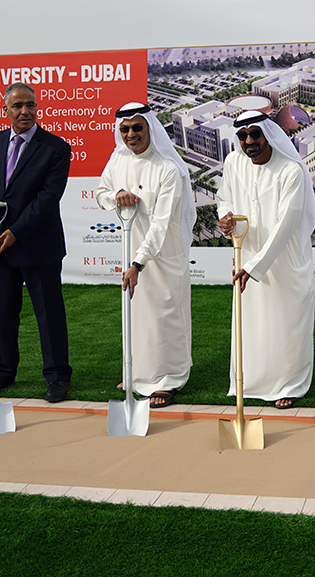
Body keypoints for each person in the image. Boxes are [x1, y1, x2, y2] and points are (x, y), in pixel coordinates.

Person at [0, 82, 73, 403]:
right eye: (17, 106)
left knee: (49, 313)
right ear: (6, 110)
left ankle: (57, 376)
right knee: (3, 312)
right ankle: (3, 373)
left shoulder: (55, 147)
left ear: (37, 107)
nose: (25, 111)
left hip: (37, 245)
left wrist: (17, 231)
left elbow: (48, 197)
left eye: (30, 105)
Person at [216, 111, 315, 409]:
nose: (249, 141)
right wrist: (225, 217)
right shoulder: (234, 162)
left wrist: (255, 266)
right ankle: (253, 382)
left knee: (286, 323)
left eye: (255, 134)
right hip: (246, 255)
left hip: (284, 260)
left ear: (268, 135)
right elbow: (225, 197)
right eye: (243, 136)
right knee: (253, 323)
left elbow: (286, 225)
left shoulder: (291, 171)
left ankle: (289, 383)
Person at [96, 102, 194, 408]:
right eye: (124, 129)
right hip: (131, 252)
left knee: (164, 317)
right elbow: (100, 193)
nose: (130, 134)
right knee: (137, 317)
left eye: (137, 128)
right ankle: (139, 375)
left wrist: (139, 262)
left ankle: (169, 380)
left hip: (163, 256)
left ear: (150, 127)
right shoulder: (117, 159)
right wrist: (116, 197)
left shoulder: (169, 168)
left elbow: (162, 224)